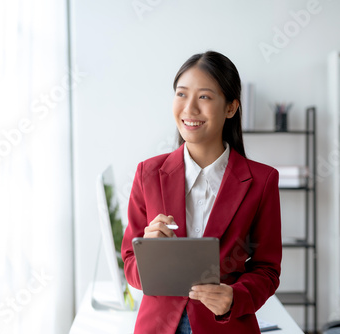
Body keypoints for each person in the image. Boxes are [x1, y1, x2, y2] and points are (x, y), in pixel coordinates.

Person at [121, 50, 282, 334]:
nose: (189, 109)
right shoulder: (148, 174)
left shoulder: (261, 180)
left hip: (227, 325)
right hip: (158, 326)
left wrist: (235, 297)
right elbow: (130, 264)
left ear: (231, 108)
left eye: (204, 97)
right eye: (181, 94)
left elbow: (267, 270)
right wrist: (150, 253)